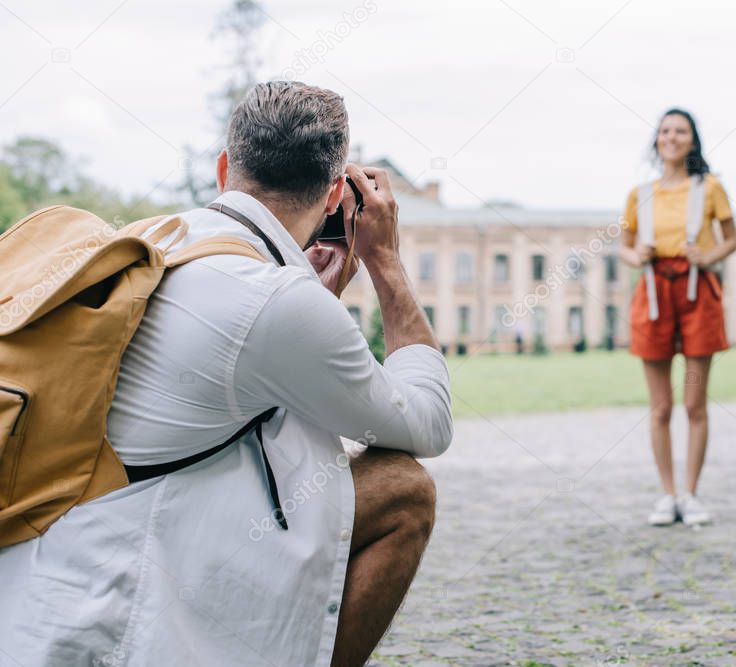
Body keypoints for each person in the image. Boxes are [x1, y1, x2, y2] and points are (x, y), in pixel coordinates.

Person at [0, 81, 453, 667]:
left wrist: (312, 304)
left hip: (45, 549)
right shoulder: (275, 299)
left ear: (224, 169)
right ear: (337, 189)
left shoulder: (156, 238)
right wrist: (385, 263)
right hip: (115, 590)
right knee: (406, 489)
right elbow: (428, 424)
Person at [619, 108, 736, 527]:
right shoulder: (640, 194)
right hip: (654, 294)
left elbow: (732, 239)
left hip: (696, 294)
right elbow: (626, 247)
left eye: (681, 131)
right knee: (661, 408)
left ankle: (690, 494)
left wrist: (707, 256)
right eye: (666, 130)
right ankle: (667, 494)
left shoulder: (709, 188)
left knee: (694, 403)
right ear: (657, 140)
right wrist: (638, 257)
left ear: (692, 140)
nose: (672, 137)